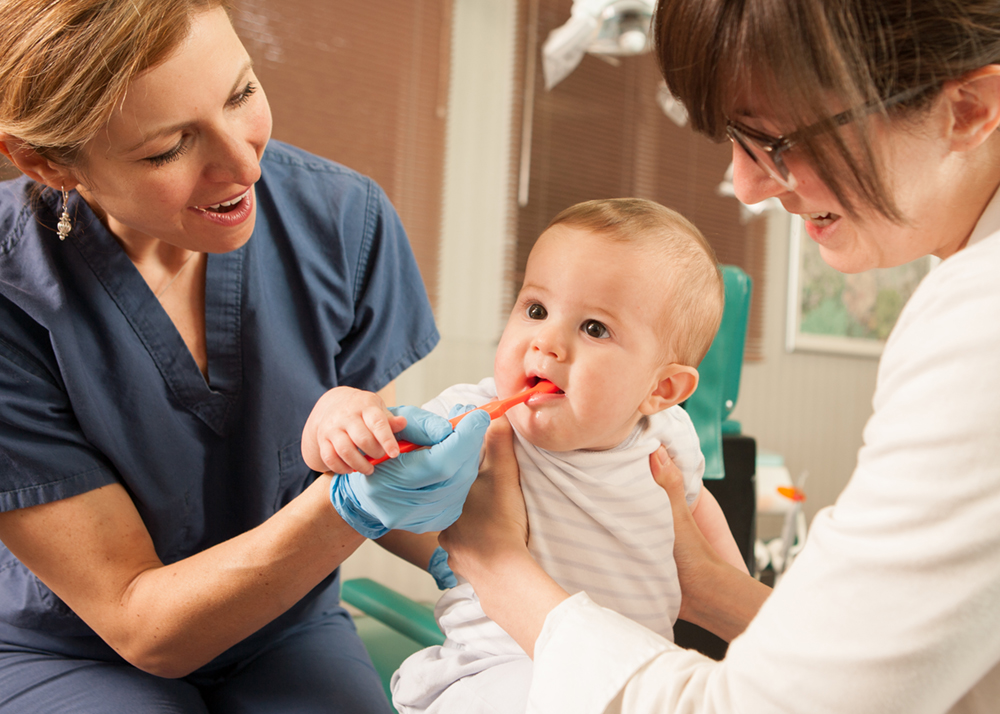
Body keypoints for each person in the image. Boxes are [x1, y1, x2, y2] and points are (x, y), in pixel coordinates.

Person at [438, 1, 1000, 713]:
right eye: (738, 138)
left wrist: (496, 563)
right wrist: (705, 583)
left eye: (778, 141)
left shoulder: (982, 324)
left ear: (969, 108)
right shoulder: (477, 421)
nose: (747, 184)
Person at [0, 2, 489, 712]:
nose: (243, 161)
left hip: (285, 624)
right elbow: (142, 623)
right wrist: (353, 506)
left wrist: (512, 563)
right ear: (46, 162)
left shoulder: (342, 222)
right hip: (74, 646)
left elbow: (377, 471)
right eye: (169, 148)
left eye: (241, 94)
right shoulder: (13, 296)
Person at [311, 198, 748, 713]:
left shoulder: (666, 438)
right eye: (536, 309)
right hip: (490, 674)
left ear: (662, 388)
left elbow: (697, 520)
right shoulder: (476, 420)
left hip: (621, 669)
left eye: (595, 328)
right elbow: (366, 453)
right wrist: (340, 414)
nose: (547, 342)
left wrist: (737, 592)